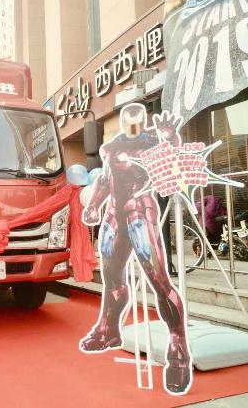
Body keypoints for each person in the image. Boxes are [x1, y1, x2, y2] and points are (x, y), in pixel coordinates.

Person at [80, 103, 192, 395]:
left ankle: (178, 346)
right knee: (111, 277)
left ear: (142, 121)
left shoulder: (155, 140)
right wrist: (93, 205)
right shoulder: (110, 147)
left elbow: (171, 160)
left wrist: (170, 138)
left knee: (159, 280)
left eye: (136, 121)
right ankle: (108, 329)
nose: (132, 125)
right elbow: (105, 179)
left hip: (140, 212)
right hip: (114, 216)